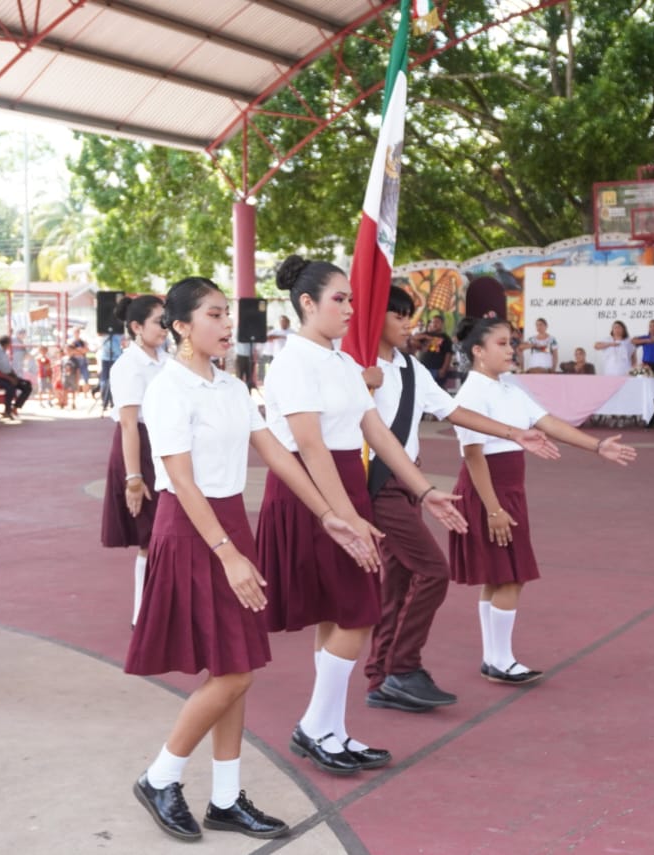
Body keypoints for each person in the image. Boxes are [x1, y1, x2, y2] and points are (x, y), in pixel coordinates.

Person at [127, 277, 380, 842]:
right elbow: (184, 485)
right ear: (182, 327)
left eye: (226, 315)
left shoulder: (233, 387)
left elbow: (280, 455)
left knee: (234, 667)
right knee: (235, 671)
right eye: (214, 315)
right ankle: (160, 775)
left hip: (229, 526)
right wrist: (229, 554)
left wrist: (326, 514)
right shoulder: (168, 389)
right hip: (195, 530)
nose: (226, 325)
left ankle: (224, 798)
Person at [258, 255, 466, 777]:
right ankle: (317, 726)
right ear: (307, 303)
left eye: (351, 298)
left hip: (344, 488)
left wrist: (424, 492)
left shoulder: (343, 363)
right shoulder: (294, 361)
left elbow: (377, 433)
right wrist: (340, 514)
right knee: (356, 612)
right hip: (316, 493)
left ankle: (330, 730)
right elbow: (312, 446)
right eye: (340, 299)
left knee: (340, 614)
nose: (353, 309)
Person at [361, 287, 559, 713]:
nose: (408, 324)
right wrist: (358, 382)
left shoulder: (411, 367)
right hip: (376, 482)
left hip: (407, 481)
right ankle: (402, 668)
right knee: (433, 571)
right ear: (375, 318)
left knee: (397, 582)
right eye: (399, 316)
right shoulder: (355, 367)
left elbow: (451, 412)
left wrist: (512, 433)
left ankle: (382, 676)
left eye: (409, 316)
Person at [449, 317, 636, 684]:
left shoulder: (508, 390)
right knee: (510, 577)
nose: (510, 349)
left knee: (499, 576)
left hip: (508, 490)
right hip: (489, 490)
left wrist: (597, 447)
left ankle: (494, 658)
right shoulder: (472, 394)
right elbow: (473, 456)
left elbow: (550, 423)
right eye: (502, 343)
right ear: (478, 351)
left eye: (511, 343)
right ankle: (501, 660)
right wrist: (494, 509)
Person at [101, 295, 168, 627]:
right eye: (159, 321)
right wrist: (134, 479)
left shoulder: (167, 359)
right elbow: (128, 423)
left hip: (165, 447)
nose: (166, 327)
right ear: (137, 327)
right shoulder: (128, 365)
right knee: (151, 537)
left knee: (167, 533)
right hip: (139, 449)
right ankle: (143, 613)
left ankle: (159, 608)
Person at [631, 319, 654, 427]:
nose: (652, 328)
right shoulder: (645, 338)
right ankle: (649, 420)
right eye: (650, 326)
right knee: (647, 393)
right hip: (646, 365)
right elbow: (633, 341)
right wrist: (647, 341)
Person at [0, 335, 32, 419]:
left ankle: (15, 408)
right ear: (7, 343)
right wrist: (9, 378)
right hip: (0, 377)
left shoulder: (4, 352)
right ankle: (7, 410)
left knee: (27, 385)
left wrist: (14, 376)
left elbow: (7, 367)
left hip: (9, 375)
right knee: (10, 387)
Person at [414, 314, 453, 386]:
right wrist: (426, 336)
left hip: (435, 369)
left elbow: (448, 354)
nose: (434, 324)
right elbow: (414, 338)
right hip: (422, 368)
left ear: (442, 324)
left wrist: (444, 369)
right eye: (433, 322)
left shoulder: (446, 338)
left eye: (437, 322)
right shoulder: (426, 334)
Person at [98, 327, 123, 412]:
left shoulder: (118, 333)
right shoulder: (106, 334)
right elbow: (113, 348)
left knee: (114, 381)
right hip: (107, 359)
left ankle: (112, 400)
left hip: (114, 359)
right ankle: (105, 400)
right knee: (104, 381)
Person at [70, 327, 92, 395]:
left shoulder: (83, 342)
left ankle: (86, 393)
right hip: (76, 361)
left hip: (83, 361)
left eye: (78, 332)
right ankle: (77, 393)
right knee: (76, 378)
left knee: (86, 378)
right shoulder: (72, 342)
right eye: (75, 332)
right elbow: (71, 352)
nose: (77, 334)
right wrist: (80, 351)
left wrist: (78, 350)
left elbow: (87, 350)